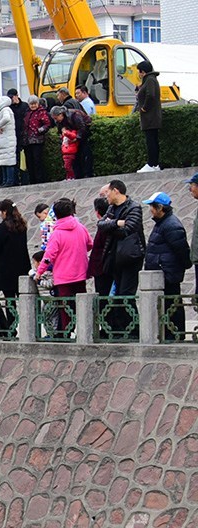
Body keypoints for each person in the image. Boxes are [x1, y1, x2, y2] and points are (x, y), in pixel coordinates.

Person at [38, 198, 92, 331]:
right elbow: (90, 244)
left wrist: (39, 272)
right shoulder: (81, 228)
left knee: (65, 307)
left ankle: (66, 332)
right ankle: (85, 331)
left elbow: (48, 257)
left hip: (63, 277)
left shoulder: (56, 233)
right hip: (80, 273)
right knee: (81, 305)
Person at [143, 192, 191, 338]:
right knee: (168, 304)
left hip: (168, 273)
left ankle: (175, 334)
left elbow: (182, 250)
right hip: (163, 272)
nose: (150, 210)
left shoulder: (171, 225)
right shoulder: (162, 223)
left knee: (172, 304)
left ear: (160, 208)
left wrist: (182, 265)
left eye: (152, 207)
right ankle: (170, 333)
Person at [97, 179, 146, 298]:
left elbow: (128, 229)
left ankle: (131, 312)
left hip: (130, 256)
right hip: (114, 257)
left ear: (115, 191)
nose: (106, 196)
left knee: (126, 294)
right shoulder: (111, 208)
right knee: (117, 295)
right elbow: (100, 225)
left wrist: (110, 226)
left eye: (107, 192)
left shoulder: (134, 207)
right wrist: (117, 223)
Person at [135, 60, 163, 173]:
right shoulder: (150, 79)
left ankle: (152, 164)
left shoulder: (150, 80)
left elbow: (150, 95)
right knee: (153, 140)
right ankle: (154, 164)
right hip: (152, 116)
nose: (138, 74)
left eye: (139, 71)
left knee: (151, 140)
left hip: (150, 116)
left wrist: (144, 108)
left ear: (143, 71)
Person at [24, 97, 51, 184]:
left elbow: (47, 124)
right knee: (29, 161)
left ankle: (40, 180)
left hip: (37, 140)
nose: (33, 106)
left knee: (37, 161)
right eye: (31, 104)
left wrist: (40, 130)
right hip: (27, 141)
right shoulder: (27, 113)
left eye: (35, 103)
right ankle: (32, 180)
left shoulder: (41, 112)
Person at [0, 96, 17, 187]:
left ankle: (9, 181)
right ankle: (5, 180)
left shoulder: (6, 110)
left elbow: (6, 118)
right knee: (4, 162)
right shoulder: (2, 111)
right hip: (4, 141)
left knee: (8, 161)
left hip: (7, 140)